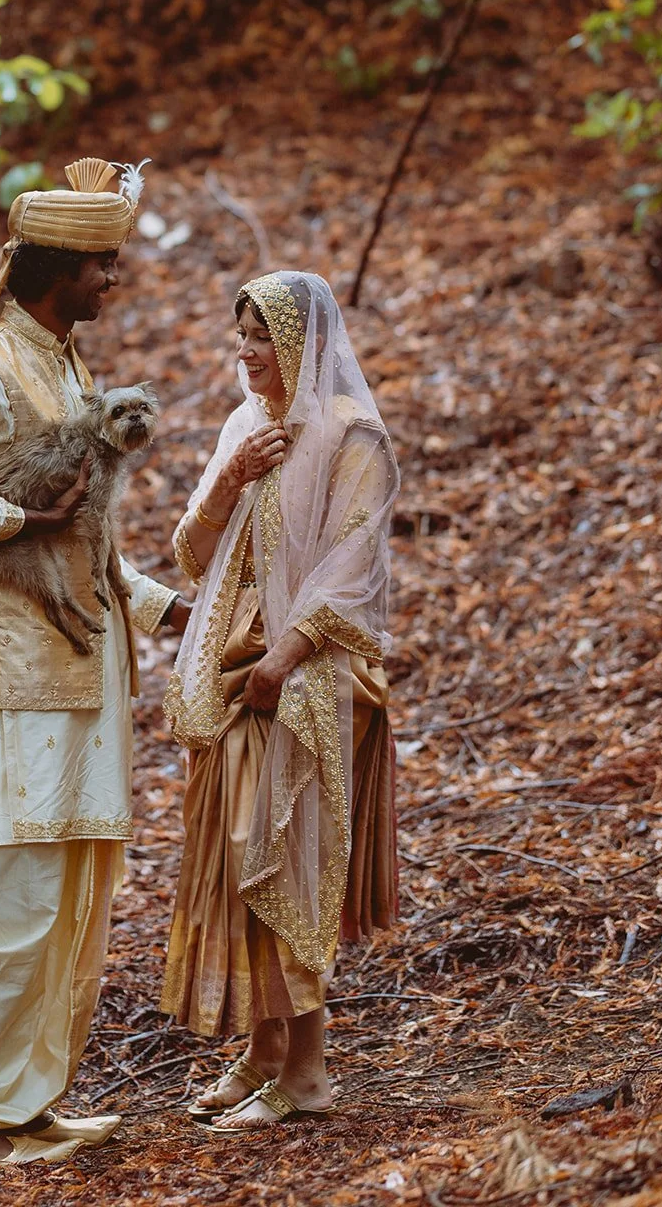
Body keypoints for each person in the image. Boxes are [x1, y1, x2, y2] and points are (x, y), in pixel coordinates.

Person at [0, 157, 188, 1171]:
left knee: (61, 891)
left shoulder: (64, 363)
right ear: (57, 266)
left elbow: (84, 537)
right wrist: (9, 515)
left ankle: (25, 1102)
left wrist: (162, 605)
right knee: (8, 893)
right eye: (103, 264)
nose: (115, 281)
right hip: (10, 681)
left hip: (77, 669)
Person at [161, 270, 399, 1133]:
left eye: (260, 335)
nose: (245, 351)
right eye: (241, 334)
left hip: (303, 682)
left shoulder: (350, 435)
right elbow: (192, 551)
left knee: (284, 861)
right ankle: (260, 1056)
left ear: (303, 342)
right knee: (236, 865)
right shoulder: (244, 426)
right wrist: (229, 476)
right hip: (231, 678)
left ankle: (306, 1072)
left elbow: (354, 565)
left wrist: (287, 657)